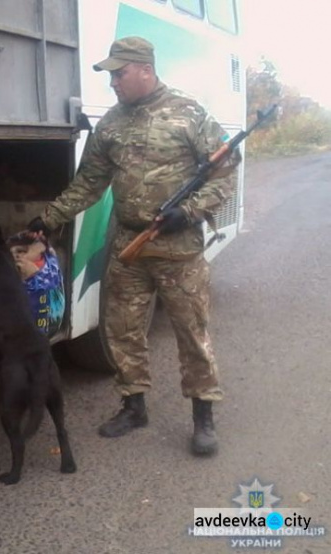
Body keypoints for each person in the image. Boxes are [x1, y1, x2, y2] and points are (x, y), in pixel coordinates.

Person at [27, 36, 240, 456]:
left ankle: (203, 417)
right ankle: (133, 406)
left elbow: (225, 173)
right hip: (130, 245)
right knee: (122, 330)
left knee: (191, 334)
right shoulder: (111, 123)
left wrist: (191, 210)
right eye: (110, 75)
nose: (114, 83)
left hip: (179, 248)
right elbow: (89, 182)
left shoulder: (188, 113)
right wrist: (48, 218)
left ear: (146, 68)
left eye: (119, 73)